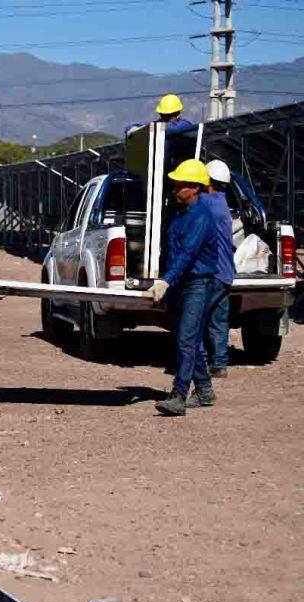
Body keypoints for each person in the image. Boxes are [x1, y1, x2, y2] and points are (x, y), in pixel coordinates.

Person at [148, 159, 231, 416]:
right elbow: (171, 252)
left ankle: (179, 395)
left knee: (186, 339)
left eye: (180, 185)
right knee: (189, 339)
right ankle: (204, 390)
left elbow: (188, 253)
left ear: (195, 188)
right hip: (182, 284)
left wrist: (166, 280)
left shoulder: (200, 217)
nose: (175, 188)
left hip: (198, 284)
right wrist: (167, 279)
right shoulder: (179, 215)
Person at [203, 159, 237, 378]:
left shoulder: (205, 203)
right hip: (225, 272)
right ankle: (220, 364)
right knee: (218, 319)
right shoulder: (223, 204)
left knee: (198, 317)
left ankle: (202, 361)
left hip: (211, 272)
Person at [125, 93, 199, 170]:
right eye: (163, 115)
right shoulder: (159, 125)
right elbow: (131, 126)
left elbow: (169, 129)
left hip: (181, 169)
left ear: (177, 113)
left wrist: (147, 128)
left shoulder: (184, 125)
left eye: (169, 115)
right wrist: (134, 129)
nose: (165, 118)